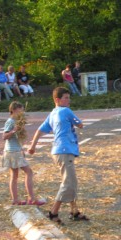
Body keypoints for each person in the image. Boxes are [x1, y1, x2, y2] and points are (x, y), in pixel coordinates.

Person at [28, 87, 89, 224]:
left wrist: (33, 146)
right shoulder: (66, 111)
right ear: (57, 99)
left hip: (58, 151)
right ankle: (53, 212)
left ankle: (74, 211)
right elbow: (80, 124)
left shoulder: (53, 113)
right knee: (68, 182)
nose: (69, 100)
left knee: (71, 181)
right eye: (66, 98)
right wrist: (77, 123)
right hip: (65, 150)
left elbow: (40, 130)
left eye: (68, 97)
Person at [2, 101, 46, 206]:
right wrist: (14, 130)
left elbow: (17, 139)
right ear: (13, 110)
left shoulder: (16, 121)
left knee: (14, 175)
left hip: (14, 150)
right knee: (28, 172)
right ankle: (31, 199)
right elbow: (4, 136)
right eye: (20, 110)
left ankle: (15, 200)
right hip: (12, 151)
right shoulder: (11, 121)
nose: (22, 112)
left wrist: (21, 149)